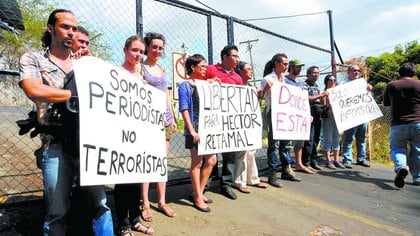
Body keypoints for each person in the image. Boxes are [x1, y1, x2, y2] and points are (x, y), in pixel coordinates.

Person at [18, 9, 113, 235]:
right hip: (56, 143)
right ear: (50, 29)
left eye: (74, 28)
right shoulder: (34, 58)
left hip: (89, 144)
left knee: (100, 205)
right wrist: (74, 96)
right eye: (65, 27)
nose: (71, 32)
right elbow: (33, 88)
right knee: (56, 211)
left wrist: (91, 66)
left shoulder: (85, 64)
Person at [113, 35, 155, 235]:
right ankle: (123, 224)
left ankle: (135, 220)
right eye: (134, 50)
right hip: (122, 135)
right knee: (123, 183)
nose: (138, 54)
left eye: (141, 51)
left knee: (137, 181)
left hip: (139, 136)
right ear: (125, 49)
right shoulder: (116, 73)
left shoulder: (140, 77)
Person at [140, 32, 177, 221]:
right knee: (147, 162)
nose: (157, 50)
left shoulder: (162, 68)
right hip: (148, 122)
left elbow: (165, 94)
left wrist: (173, 117)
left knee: (161, 163)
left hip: (166, 121)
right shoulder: (140, 68)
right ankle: (145, 203)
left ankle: (162, 201)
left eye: (161, 47)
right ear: (147, 47)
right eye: (154, 46)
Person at [179, 54, 217, 212]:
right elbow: (184, 108)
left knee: (212, 160)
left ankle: (198, 193)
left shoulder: (204, 84)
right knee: (197, 163)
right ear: (193, 68)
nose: (205, 69)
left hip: (208, 128)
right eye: (202, 66)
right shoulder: (185, 85)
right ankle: (198, 197)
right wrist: (191, 129)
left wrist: (214, 85)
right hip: (195, 129)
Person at [205, 45, 242, 200]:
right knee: (208, 155)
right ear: (225, 57)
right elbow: (196, 84)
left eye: (238, 57)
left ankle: (226, 184)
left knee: (230, 154)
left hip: (229, 122)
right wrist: (208, 82)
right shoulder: (210, 70)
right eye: (234, 56)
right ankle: (203, 185)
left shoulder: (238, 78)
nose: (237, 60)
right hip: (212, 120)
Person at [261, 53, 301, 188]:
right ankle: (272, 174)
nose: (286, 66)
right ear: (276, 64)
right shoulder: (268, 79)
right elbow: (261, 96)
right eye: (284, 64)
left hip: (285, 113)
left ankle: (286, 170)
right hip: (274, 112)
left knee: (286, 143)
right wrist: (266, 88)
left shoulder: (285, 78)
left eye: (287, 64)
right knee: (274, 144)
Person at [231, 61, 268, 193]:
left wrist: (260, 93)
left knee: (251, 151)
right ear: (240, 71)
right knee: (242, 152)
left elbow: (255, 105)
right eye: (248, 69)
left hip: (251, 123)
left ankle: (253, 178)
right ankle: (239, 181)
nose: (251, 71)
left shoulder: (251, 87)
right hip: (240, 123)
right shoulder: (235, 86)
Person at [383, 62, 420, 188]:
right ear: (413, 72)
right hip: (418, 123)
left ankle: (400, 166)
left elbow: (386, 103)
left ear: (400, 72)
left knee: (397, 148)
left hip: (398, 124)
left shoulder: (391, 85)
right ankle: (418, 177)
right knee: (418, 150)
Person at [285, 59, 313, 174]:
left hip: (300, 116)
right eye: (298, 66)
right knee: (287, 143)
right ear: (291, 67)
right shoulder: (285, 80)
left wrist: (308, 114)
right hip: (288, 115)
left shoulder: (302, 83)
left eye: (301, 66)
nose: (300, 68)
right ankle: (287, 165)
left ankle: (299, 163)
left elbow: (304, 100)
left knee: (299, 142)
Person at [341, 64, 372, 168]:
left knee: (361, 138)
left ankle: (361, 158)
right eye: (354, 70)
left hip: (362, 115)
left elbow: (368, 99)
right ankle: (347, 159)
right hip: (350, 116)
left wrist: (369, 90)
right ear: (348, 72)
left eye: (358, 71)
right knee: (349, 138)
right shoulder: (343, 84)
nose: (357, 72)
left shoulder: (364, 84)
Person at [301, 66, 328, 171]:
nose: (316, 74)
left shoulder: (316, 85)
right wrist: (320, 96)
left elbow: (320, 99)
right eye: (313, 73)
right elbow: (305, 98)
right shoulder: (305, 84)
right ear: (308, 74)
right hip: (309, 112)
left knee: (316, 138)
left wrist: (323, 101)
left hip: (317, 113)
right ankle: (306, 162)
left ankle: (313, 161)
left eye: (317, 73)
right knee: (309, 139)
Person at [321, 75, 345, 169]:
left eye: (334, 80)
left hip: (338, 117)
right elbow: (323, 106)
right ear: (326, 81)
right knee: (328, 139)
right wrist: (328, 105)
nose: (333, 82)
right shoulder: (324, 93)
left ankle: (336, 159)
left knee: (336, 138)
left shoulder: (339, 92)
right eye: (330, 80)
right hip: (328, 117)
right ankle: (328, 160)